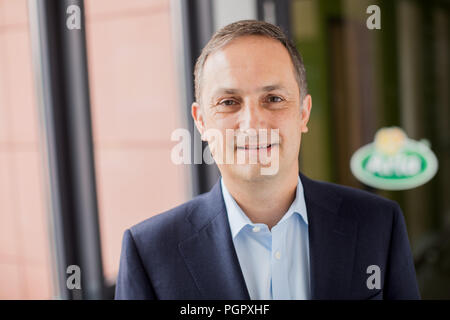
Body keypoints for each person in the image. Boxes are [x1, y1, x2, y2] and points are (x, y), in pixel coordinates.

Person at [115, 20, 420, 300]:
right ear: (201, 122)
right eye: (229, 102)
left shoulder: (378, 225)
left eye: (273, 99)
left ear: (303, 112)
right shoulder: (150, 253)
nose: (253, 123)